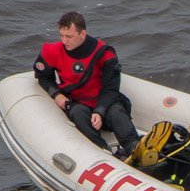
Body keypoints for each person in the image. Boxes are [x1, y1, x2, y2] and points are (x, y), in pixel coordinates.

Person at [33, 11, 139, 156]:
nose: (64, 41)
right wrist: (56, 94)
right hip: (78, 103)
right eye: (62, 36)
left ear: (82, 34)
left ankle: (135, 148)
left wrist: (100, 111)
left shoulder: (104, 53)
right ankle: (103, 152)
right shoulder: (52, 51)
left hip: (104, 102)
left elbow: (111, 89)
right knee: (78, 113)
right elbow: (43, 77)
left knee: (117, 111)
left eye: (69, 37)